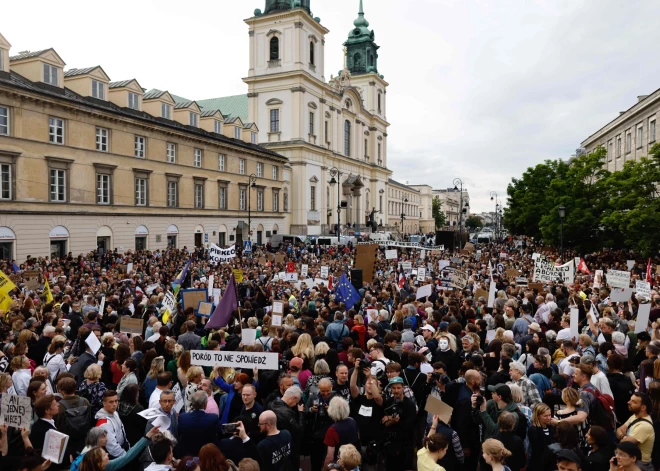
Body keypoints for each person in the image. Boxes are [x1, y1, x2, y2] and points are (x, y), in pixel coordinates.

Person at [70, 425, 161, 471]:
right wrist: (146, 437)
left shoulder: (87, 454)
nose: (107, 454)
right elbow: (126, 458)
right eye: (103, 436)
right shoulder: (97, 459)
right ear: (98, 463)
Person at [381, 376, 417, 471]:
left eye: (398, 388)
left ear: (403, 388)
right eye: (393, 388)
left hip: (406, 444)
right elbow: (384, 423)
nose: (396, 390)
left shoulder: (410, 405)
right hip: (391, 443)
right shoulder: (388, 402)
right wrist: (391, 421)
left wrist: (391, 418)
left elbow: (408, 425)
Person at [616, 392, 655, 471]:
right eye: (630, 400)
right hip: (631, 460)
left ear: (643, 408)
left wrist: (622, 437)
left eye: (633, 402)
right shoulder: (635, 416)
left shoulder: (644, 426)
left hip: (640, 464)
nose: (628, 402)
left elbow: (625, 444)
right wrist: (624, 437)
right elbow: (618, 430)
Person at [322, 397, 360, 470]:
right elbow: (358, 439)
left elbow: (330, 457)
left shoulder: (332, 430)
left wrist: (325, 469)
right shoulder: (352, 421)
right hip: (353, 463)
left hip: (340, 465)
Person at [178, 391, 220, 457]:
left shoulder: (183, 417)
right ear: (205, 404)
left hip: (188, 455)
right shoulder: (213, 418)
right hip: (206, 455)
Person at [95, 390, 129, 459]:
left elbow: (122, 431)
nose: (115, 404)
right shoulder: (104, 423)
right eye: (111, 402)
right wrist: (126, 457)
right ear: (104, 403)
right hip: (114, 456)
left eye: (116, 401)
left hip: (122, 447)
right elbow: (112, 447)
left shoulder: (115, 413)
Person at [528, 403, 556, 471]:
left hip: (551, 464)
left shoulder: (551, 428)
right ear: (538, 416)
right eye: (545, 416)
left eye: (549, 415)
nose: (548, 418)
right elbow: (541, 446)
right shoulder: (533, 429)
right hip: (538, 464)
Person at [117, 383, 147, 448]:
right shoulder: (138, 409)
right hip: (136, 437)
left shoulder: (118, 406)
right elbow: (143, 425)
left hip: (122, 437)